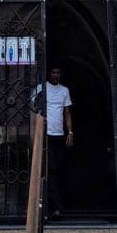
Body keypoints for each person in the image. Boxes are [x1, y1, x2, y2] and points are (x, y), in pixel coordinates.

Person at [45, 65, 73, 220]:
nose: (55, 75)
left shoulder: (64, 91)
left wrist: (70, 132)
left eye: (58, 73)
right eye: (53, 72)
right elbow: (33, 108)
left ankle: (54, 207)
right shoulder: (41, 88)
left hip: (59, 135)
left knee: (57, 170)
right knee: (50, 170)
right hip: (46, 134)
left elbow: (67, 112)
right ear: (49, 73)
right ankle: (54, 208)